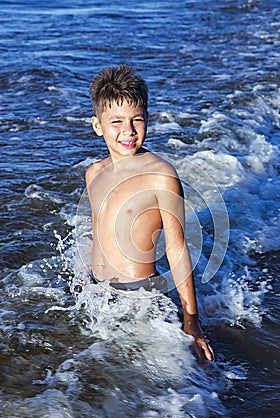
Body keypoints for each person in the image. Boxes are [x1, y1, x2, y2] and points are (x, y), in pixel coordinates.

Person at [86, 64, 214, 362]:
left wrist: (191, 321)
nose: (128, 131)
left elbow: (177, 247)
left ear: (148, 120)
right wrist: (84, 284)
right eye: (116, 121)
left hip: (140, 298)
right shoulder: (94, 173)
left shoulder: (160, 175)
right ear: (97, 125)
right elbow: (97, 233)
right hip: (97, 293)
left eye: (137, 120)